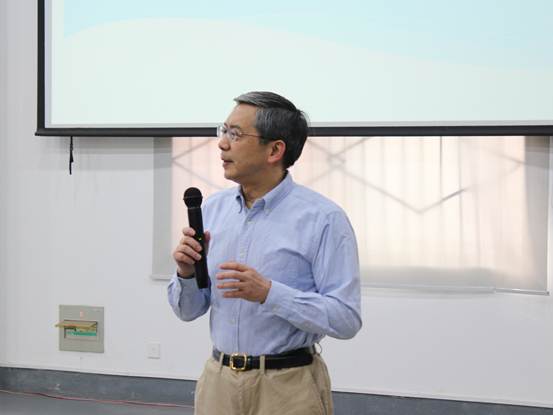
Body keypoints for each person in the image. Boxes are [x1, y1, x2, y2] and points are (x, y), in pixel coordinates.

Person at [168, 91, 362, 415]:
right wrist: (186, 274)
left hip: (288, 387)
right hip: (219, 383)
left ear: (274, 150)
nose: (222, 144)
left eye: (236, 134)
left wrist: (270, 293)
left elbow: (346, 319)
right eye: (223, 131)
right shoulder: (212, 210)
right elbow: (188, 311)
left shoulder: (323, 219)